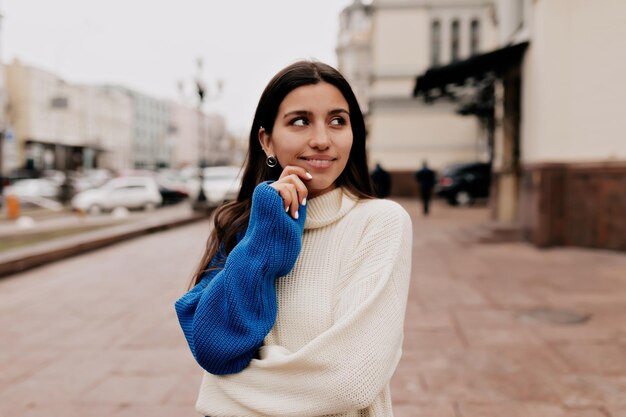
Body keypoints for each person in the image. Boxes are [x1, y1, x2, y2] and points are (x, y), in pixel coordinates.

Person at [174, 60, 412, 417]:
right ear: (266, 140)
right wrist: (267, 231)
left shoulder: (379, 223)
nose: (321, 139)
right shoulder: (242, 229)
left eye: (338, 121)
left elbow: (351, 379)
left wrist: (222, 391)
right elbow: (216, 348)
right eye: (300, 121)